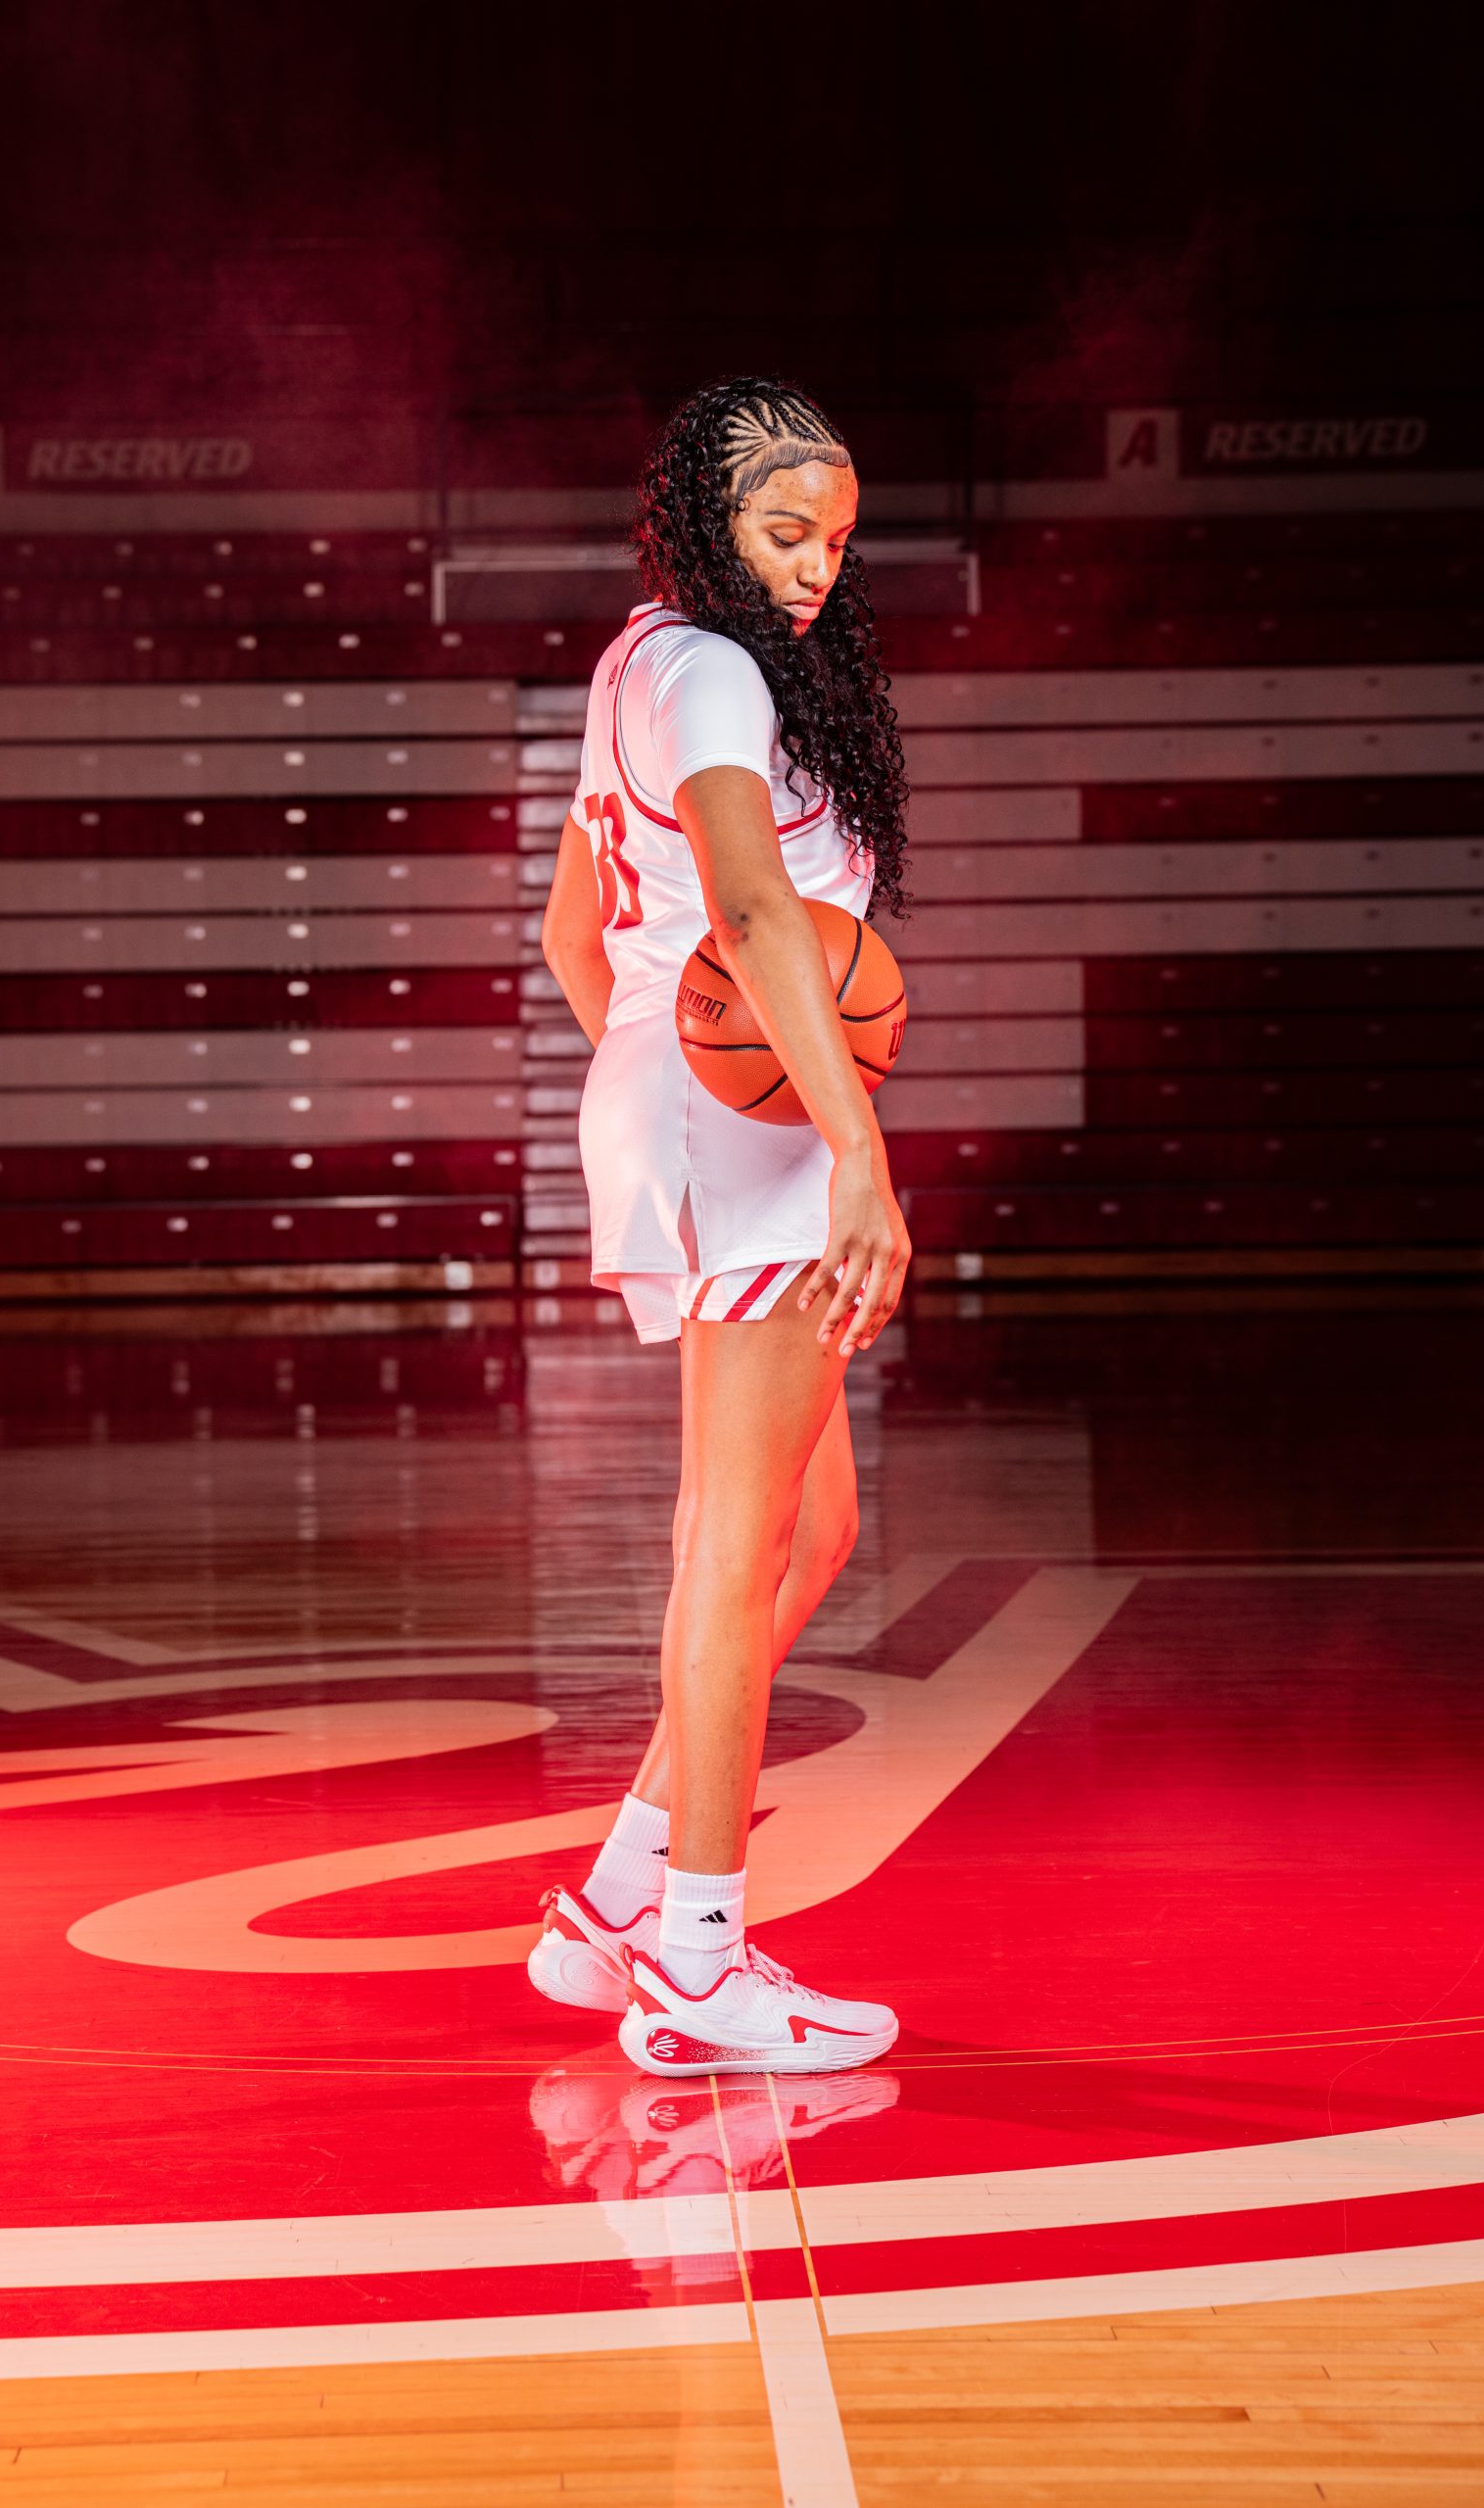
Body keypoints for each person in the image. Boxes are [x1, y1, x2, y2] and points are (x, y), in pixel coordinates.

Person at [531, 377, 912, 2077]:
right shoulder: (709, 669)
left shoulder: (643, 660)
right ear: (705, 518)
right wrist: (849, 1150)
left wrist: (660, 1070)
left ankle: (619, 1897)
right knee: (733, 1537)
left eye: (834, 537)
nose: (816, 564)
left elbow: (573, 933)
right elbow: (752, 911)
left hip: (698, 1104)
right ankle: (696, 1959)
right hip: (746, 1124)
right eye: (783, 530)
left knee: (809, 1531)